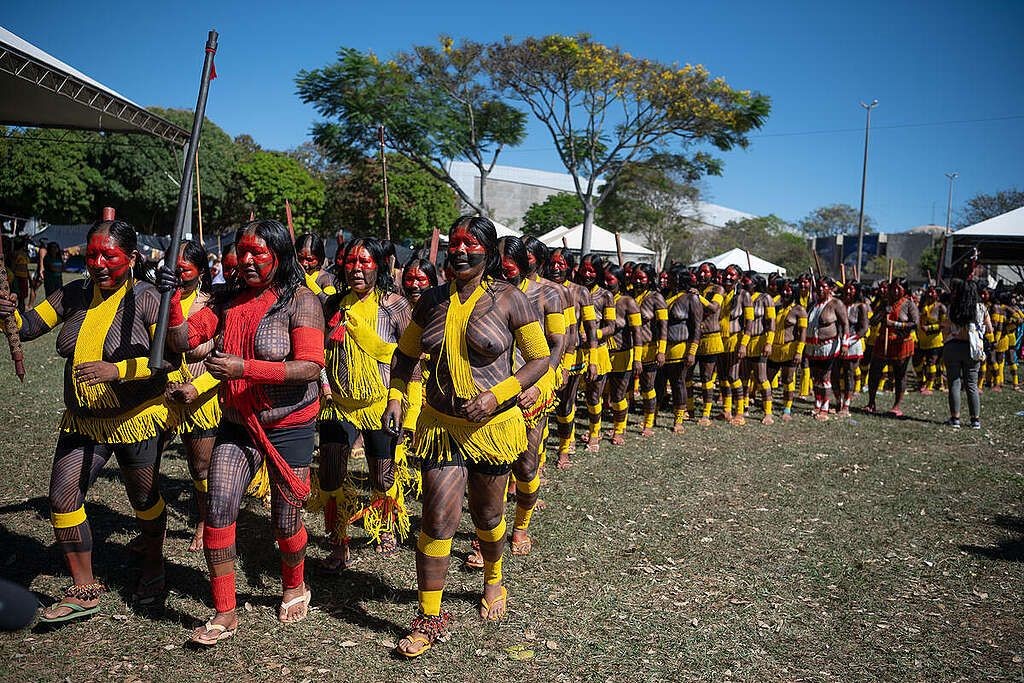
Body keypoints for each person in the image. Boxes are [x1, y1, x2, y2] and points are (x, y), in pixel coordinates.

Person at [383, 215, 550, 658]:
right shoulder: (430, 301)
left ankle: (493, 575)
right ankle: (429, 616)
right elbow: (404, 358)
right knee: (437, 519)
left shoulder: (511, 300)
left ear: (489, 253)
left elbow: (539, 360)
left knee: (488, 516)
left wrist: (498, 395)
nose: (459, 251)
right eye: (453, 243)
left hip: (492, 429)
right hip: (441, 425)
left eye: (470, 245)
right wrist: (396, 399)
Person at [161, 218, 325, 645]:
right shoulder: (225, 299)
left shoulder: (301, 301)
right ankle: (224, 610)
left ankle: (294, 583)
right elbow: (182, 340)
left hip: (290, 425)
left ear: (279, 255)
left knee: (285, 517)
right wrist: (174, 298)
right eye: (242, 251)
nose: (247, 260)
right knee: (217, 506)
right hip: (238, 422)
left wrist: (244, 368)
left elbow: (309, 367)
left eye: (259, 253)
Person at [1, 219, 173, 622]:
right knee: (62, 498)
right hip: (83, 420)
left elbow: (168, 362)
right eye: (92, 254)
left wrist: (118, 371)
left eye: (107, 256)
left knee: (143, 499)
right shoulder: (75, 292)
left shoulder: (149, 299)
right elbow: (28, 327)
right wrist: (8, 314)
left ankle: (154, 561)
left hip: (136, 419)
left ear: (130, 259)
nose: (97, 263)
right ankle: (84, 588)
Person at [315, 237, 412, 569]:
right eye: (351, 262)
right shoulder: (331, 305)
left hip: (381, 403)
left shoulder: (395, 306)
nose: (356, 268)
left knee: (382, 476)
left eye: (365, 262)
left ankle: (385, 524)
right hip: (337, 403)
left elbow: (410, 358)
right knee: (329, 473)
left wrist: (402, 406)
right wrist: (324, 388)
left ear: (380, 266)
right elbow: (319, 353)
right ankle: (338, 539)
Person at [497, 236, 564, 556]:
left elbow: (557, 343)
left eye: (509, 267)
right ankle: (488, 537)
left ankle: (520, 526)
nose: (503, 272)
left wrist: (539, 384)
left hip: (532, 391)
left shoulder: (548, 293)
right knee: (492, 469)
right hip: (493, 394)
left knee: (525, 467)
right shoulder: (486, 294)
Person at [163, 240, 222, 552]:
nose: (177, 275)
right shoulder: (158, 300)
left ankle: (204, 520)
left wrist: (196, 387)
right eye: (172, 269)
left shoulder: (213, 305)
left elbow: (224, 358)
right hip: (159, 397)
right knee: (143, 461)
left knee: (200, 467)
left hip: (201, 399)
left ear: (202, 272)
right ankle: (151, 525)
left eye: (184, 270)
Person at [545, 248, 598, 468]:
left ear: (570, 267)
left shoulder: (580, 292)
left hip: (571, 358)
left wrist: (593, 358)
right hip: (544, 358)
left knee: (566, 405)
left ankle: (564, 449)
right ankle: (537, 460)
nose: (556, 268)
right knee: (543, 409)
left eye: (561, 264)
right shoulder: (543, 288)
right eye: (553, 263)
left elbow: (591, 328)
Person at [577, 254, 615, 452]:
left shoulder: (605, 295)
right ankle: (570, 438)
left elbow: (611, 327)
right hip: (575, 352)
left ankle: (594, 434)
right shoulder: (573, 291)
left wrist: (594, 333)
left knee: (593, 397)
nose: (588, 274)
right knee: (571, 397)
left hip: (598, 352)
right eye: (584, 269)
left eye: (592, 270)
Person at [941, 277, 991, 429]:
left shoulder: (953, 307)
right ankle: (975, 420)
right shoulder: (981, 308)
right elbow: (990, 329)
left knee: (954, 383)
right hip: (972, 349)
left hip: (953, 347)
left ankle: (955, 418)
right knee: (971, 384)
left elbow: (946, 328)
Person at [866, 278, 919, 417]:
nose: (895, 291)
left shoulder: (909, 304)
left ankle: (896, 406)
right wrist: (883, 312)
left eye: (899, 288)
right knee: (874, 372)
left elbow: (915, 324)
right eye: (893, 288)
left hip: (901, 344)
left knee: (899, 375)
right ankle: (871, 403)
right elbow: (872, 322)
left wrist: (895, 324)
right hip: (883, 341)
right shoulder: (885, 302)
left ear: (904, 289)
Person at [663, 266, 702, 432]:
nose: (667, 280)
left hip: (682, 348)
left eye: (670, 277)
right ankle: (651, 418)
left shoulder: (691, 298)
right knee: (660, 383)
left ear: (679, 279)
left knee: (678, 383)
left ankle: (678, 420)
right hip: (663, 349)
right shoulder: (666, 295)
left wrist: (692, 351)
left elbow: (697, 327)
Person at [630, 263, 668, 436]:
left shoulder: (656, 298)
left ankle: (648, 422)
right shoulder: (629, 296)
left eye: (642, 278)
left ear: (650, 279)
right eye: (635, 277)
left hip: (650, 349)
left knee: (647, 386)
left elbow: (663, 326)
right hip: (629, 349)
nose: (638, 281)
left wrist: (661, 350)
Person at [804, 277, 848, 420]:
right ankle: (817, 404)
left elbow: (845, 324)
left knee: (825, 377)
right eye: (819, 287)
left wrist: (845, 343)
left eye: (824, 287)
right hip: (812, 347)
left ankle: (825, 407)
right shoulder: (813, 305)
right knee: (815, 377)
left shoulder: (836, 304)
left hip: (828, 346)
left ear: (830, 288)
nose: (820, 289)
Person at [767, 279, 807, 421]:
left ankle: (787, 409)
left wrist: (799, 352)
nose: (785, 292)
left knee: (787, 379)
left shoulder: (800, 310)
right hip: (774, 350)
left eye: (789, 290)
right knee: (767, 380)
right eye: (784, 289)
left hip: (789, 349)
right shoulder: (777, 306)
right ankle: (768, 408)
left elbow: (803, 333)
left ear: (795, 291)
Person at [693, 262, 725, 425]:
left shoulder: (717, 290)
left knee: (706, 377)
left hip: (711, 339)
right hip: (694, 339)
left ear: (712, 274)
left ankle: (706, 413)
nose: (702, 275)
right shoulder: (696, 288)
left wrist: (698, 297)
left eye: (705, 272)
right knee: (687, 375)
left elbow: (713, 307)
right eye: (700, 272)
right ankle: (689, 409)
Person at [743, 274, 776, 425]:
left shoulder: (765, 298)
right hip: (743, 342)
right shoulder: (743, 296)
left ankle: (768, 412)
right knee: (743, 377)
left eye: (747, 280)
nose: (744, 282)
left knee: (761, 378)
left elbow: (771, 322)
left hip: (759, 341)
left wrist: (769, 342)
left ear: (755, 283)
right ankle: (742, 407)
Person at [834, 281, 870, 417]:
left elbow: (864, 328)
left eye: (852, 289)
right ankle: (837, 401)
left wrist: (848, 342)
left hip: (853, 345)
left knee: (849, 374)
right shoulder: (838, 304)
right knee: (835, 374)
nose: (848, 292)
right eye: (847, 289)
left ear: (857, 291)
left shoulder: (861, 307)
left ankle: (846, 405)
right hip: (836, 343)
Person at [916, 285, 946, 395]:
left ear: (937, 295)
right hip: (922, 340)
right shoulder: (922, 306)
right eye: (928, 292)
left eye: (932, 292)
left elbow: (943, 324)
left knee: (931, 362)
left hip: (935, 340)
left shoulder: (941, 307)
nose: (929, 294)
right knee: (918, 362)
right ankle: (922, 383)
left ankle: (930, 386)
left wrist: (929, 328)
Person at [295, 233, 338, 300]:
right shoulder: (293, 275)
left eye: (310, 260)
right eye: (300, 258)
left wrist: (308, 282)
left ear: (320, 259)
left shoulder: (326, 279)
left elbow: (329, 304)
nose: (304, 263)